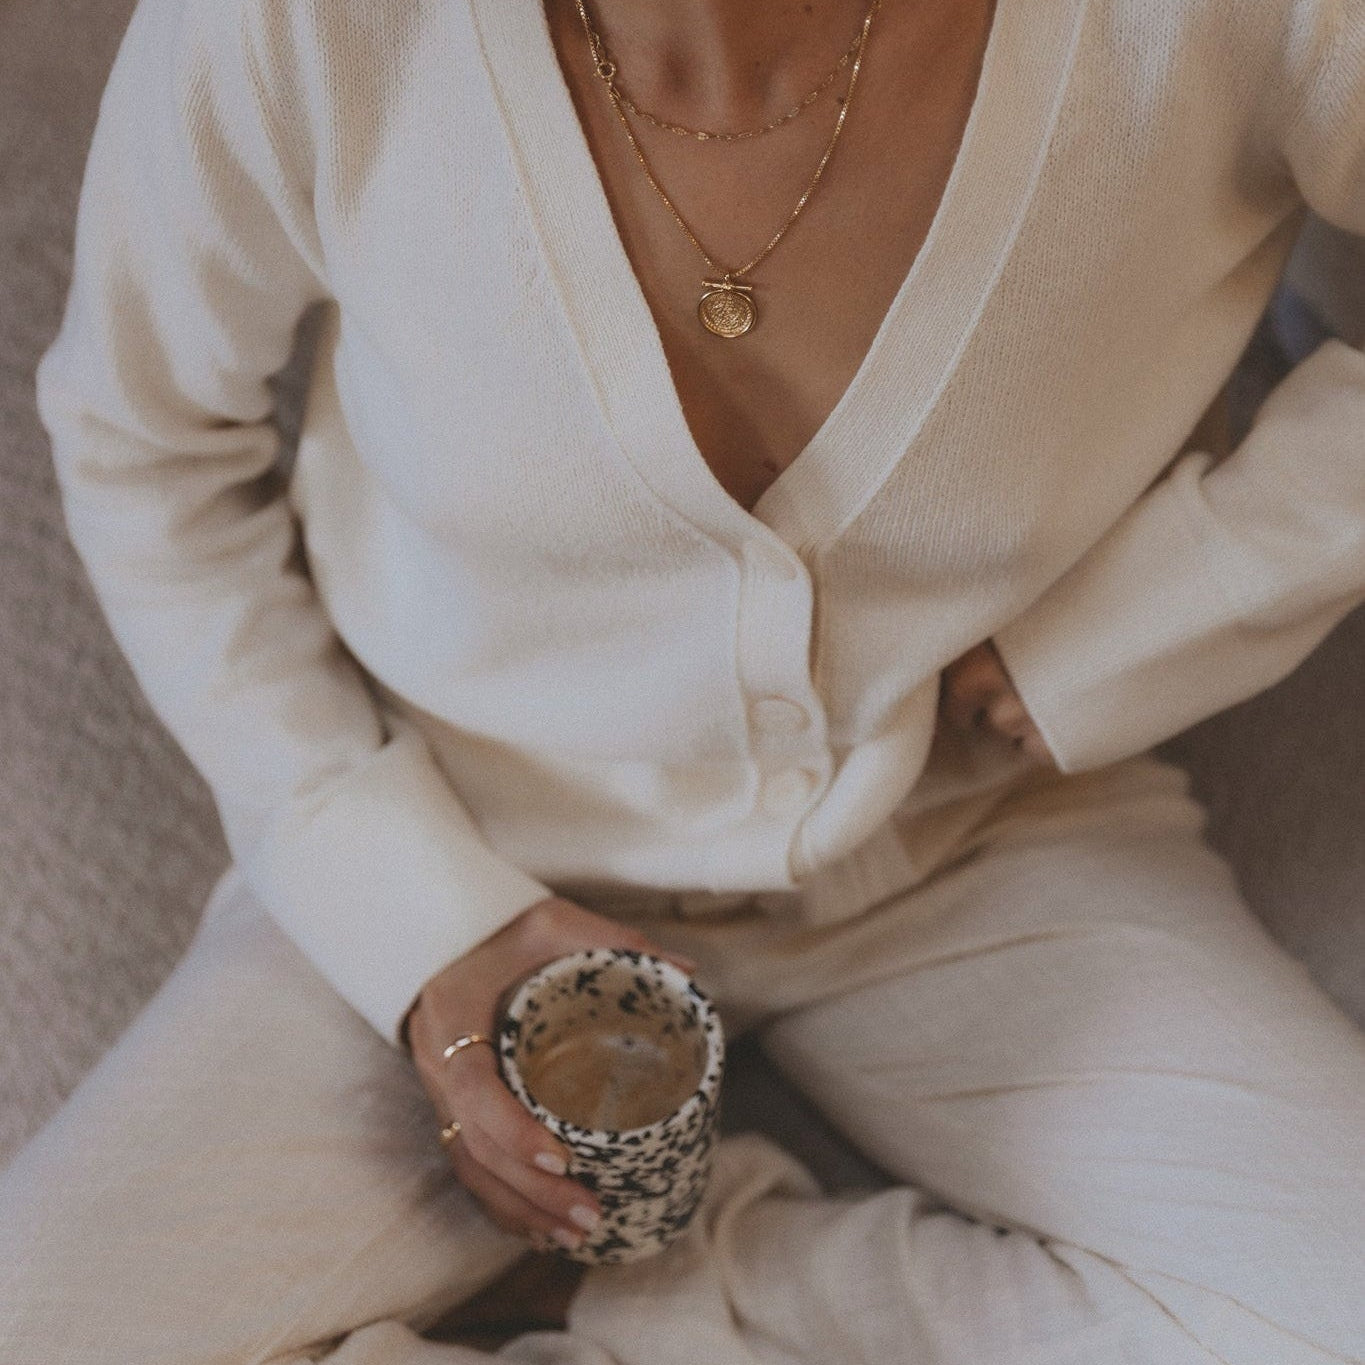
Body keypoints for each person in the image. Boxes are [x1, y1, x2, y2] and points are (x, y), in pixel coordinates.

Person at [3, 0, 1364, 1358]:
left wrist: (1179, 597)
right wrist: (408, 914)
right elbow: (143, 446)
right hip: (465, 829)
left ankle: (659, 1294)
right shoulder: (289, 28)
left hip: (967, 834)